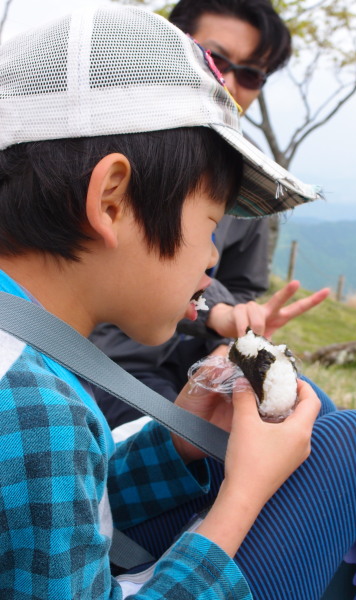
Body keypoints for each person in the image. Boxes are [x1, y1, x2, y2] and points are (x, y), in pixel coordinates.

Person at [0, 7, 356, 600]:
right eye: (210, 223)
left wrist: (177, 444)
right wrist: (243, 495)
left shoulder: (32, 359)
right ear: (111, 201)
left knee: (326, 425)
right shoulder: (33, 401)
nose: (211, 258)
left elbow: (59, 512)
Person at [90, 0, 329, 429]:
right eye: (214, 59)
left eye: (252, 74)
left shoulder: (249, 179)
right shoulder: (105, 140)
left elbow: (241, 289)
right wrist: (214, 312)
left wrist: (238, 324)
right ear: (170, 45)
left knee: (329, 418)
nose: (229, 81)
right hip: (100, 367)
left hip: (186, 356)